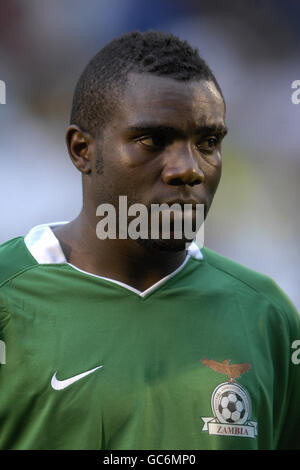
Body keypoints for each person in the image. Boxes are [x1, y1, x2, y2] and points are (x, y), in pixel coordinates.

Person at [0, 30, 299, 451]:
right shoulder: (7, 295)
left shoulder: (266, 316)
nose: (188, 169)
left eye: (208, 142)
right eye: (153, 140)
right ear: (82, 150)